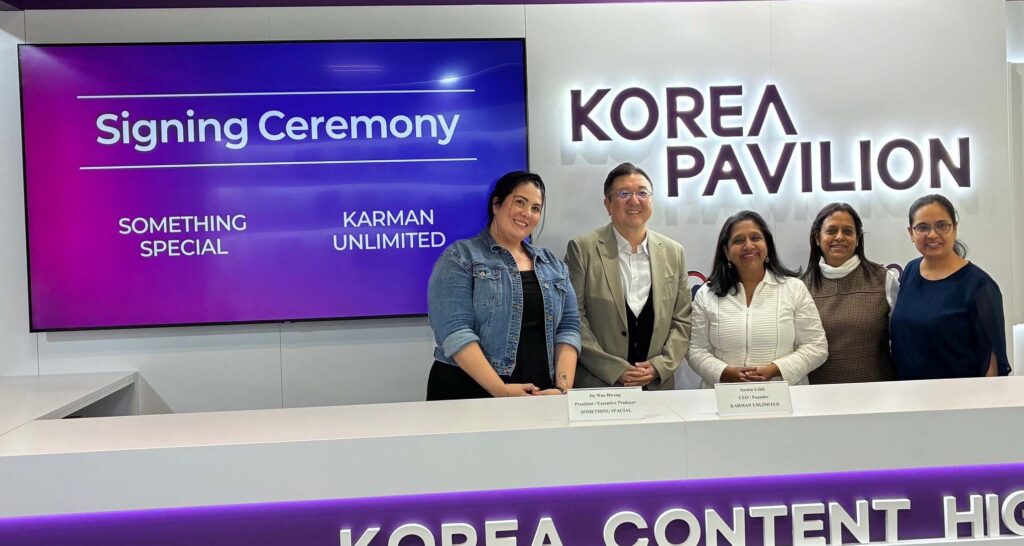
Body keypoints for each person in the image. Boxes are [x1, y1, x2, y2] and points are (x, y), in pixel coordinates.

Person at [426, 171, 581, 400]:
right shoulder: (460, 257)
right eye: (520, 202)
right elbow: (455, 332)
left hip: (539, 394)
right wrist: (502, 391)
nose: (527, 213)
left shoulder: (552, 264)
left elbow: (568, 328)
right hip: (468, 393)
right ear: (496, 204)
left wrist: (562, 389)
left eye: (535, 208)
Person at [564, 163, 691, 390]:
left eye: (642, 193)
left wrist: (660, 366)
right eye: (624, 193)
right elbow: (573, 318)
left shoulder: (674, 252)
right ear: (607, 204)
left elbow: (682, 320)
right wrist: (614, 369)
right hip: (600, 389)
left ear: (651, 201)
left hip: (657, 388)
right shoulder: (582, 249)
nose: (634, 201)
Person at [687, 211, 827, 387]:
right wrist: (724, 372)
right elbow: (696, 349)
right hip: (724, 396)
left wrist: (774, 370)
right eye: (738, 240)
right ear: (726, 251)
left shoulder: (794, 289)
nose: (748, 245)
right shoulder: (707, 294)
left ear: (767, 246)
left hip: (784, 395)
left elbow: (816, 347)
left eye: (755, 238)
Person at [890, 194, 1010, 379]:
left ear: (955, 228)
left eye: (942, 225)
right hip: (908, 391)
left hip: (958, 394)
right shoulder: (911, 270)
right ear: (911, 233)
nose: (932, 234)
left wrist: (986, 396)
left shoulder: (979, 285)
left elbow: (991, 361)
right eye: (922, 227)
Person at [802, 203, 899, 383]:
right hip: (819, 393)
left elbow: (902, 338)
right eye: (831, 231)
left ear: (857, 238)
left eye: (847, 231)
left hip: (877, 390)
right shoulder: (801, 287)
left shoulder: (883, 279)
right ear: (817, 238)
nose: (839, 237)